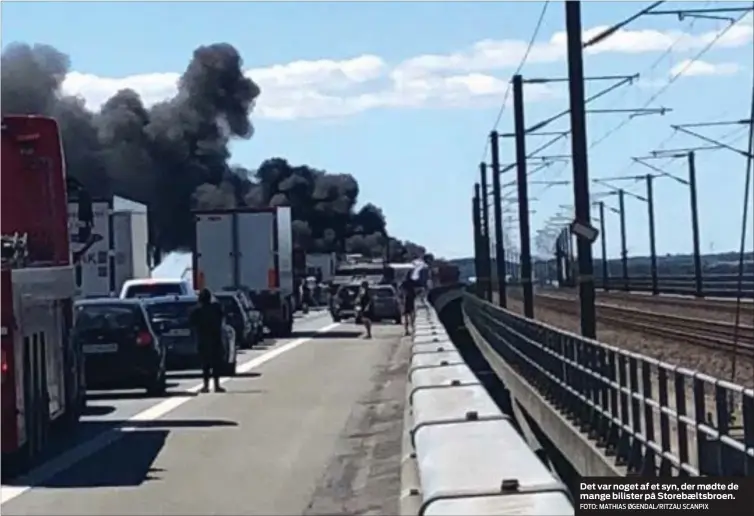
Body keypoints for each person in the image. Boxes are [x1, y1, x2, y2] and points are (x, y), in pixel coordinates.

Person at [189, 288, 226, 393]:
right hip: (215, 339)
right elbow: (222, 315)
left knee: (205, 365)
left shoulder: (196, 311)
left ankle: (206, 386)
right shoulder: (216, 308)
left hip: (203, 340)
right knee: (216, 364)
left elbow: (191, 322)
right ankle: (217, 385)